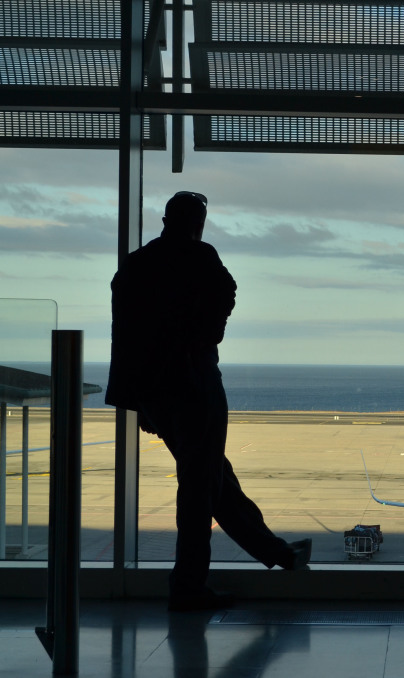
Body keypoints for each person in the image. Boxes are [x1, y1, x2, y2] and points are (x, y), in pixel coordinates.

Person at [106, 191, 312, 612]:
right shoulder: (200, 258)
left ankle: (278, 553)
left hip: (158, 394)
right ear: (197, 222)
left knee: (211, 477)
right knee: (201, 488)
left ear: (165, 219)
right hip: (196, 387)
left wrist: (140, 400)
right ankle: (189, 586)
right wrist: (202, 334)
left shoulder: (136, 266)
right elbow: (224, 299)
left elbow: (124, 338)